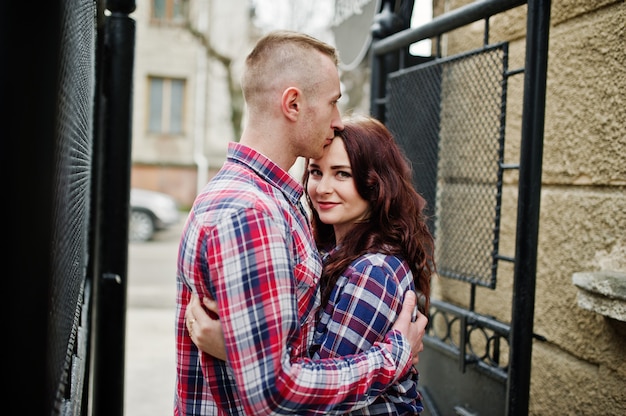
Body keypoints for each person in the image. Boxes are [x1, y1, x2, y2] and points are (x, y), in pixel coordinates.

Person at [175, 30, 428, 416]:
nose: (337, 118)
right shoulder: (251, 212)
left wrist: (242, 351)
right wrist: (396, 354)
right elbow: (275, 394)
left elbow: (285, 359)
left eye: (342, 174)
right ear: (293, 103)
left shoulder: (272, 202)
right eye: (333, 102)